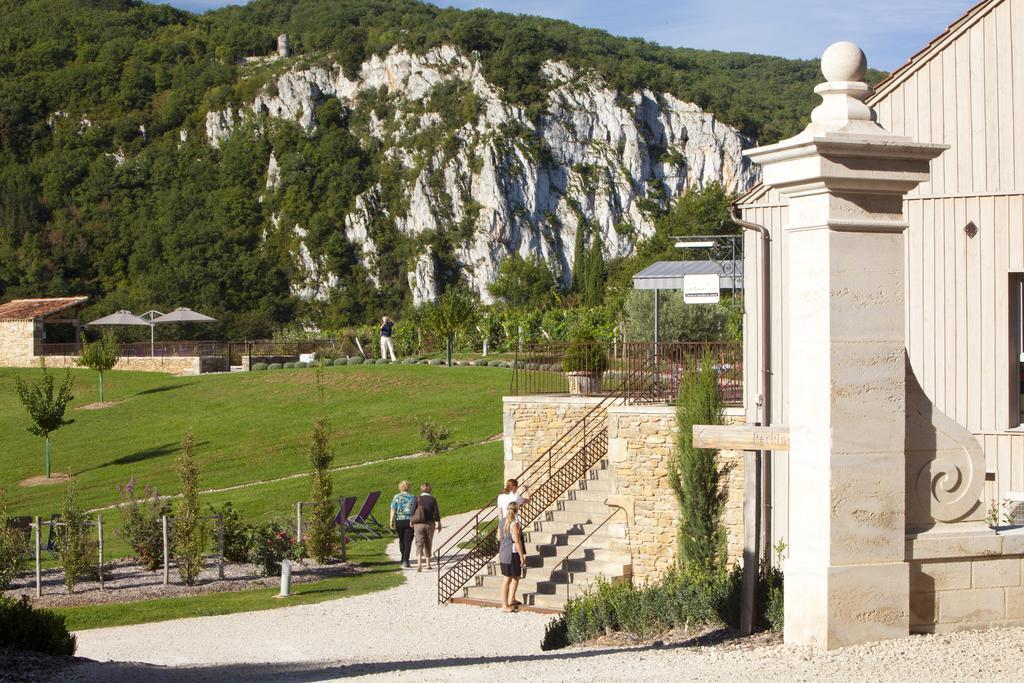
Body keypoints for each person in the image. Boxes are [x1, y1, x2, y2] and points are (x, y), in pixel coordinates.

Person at [499, 501, 527, 612]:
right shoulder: (514, 523)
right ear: (516, 511)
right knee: (507, 579)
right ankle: (504, 605)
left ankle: (512, 599)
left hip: (503, 552)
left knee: (516, 576)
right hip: (511, 553)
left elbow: (498, 537)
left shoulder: (502, 521)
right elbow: (517, 541)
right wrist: (521, 556)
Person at [411, 482, 442, 572]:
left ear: (421, 489)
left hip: (418, 524)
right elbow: (436, 512)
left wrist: (411, 521)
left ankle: (419, 563)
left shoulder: (417, 498)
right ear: (430, 489)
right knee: (428, 542)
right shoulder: (432, 499)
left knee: (419, 542)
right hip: (430, 524)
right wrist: (439, 523)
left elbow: (412, 511)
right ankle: (428, 564)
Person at [389, 480, 415, 568]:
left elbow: (393, 509)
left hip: (399, 520)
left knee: (401, 539)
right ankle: (406, 560)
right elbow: (415, 510)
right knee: (408, 540)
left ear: (400, 487)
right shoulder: (412, 497)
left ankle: (402, 558)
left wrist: (391, 520)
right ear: (409, 487)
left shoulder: (396, 497)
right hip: (409, 520)